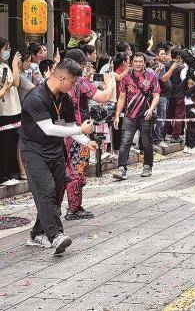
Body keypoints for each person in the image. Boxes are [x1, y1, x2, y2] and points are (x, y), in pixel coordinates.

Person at [20, 59, 96, 255]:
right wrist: (80, 130)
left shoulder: (65, 98)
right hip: (34, 152)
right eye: (73, 82)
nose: (74, 87)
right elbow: (49, 128)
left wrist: (86, 141)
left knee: (55, 193)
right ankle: (56, 236)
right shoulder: (35, 97)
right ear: (62, 79)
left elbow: (69, 126)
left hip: (55, 151)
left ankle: (37, 234)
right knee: (46, 190)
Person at [63, 49, 114, 220]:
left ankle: (57, 209)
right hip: (79, 131)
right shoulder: (80, 82)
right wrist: (109, 82)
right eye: (83, 64)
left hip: (60, 132)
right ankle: (74, 208)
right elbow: (104, 97)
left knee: (62, 170)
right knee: (78, 169)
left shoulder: (58, 80)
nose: (85, 67)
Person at [113, 52, 160, 181]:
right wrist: (117, 115)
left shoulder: (151, 76)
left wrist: (151, 109)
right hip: (129, 115)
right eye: (135, 61)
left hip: (145, 115)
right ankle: (121, 168)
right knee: (125, 142)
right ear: (131, 63)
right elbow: (121, 98)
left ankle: (147, 166)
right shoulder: (126, 77)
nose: (138, 64)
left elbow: (156, 95)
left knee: (146, 143)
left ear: (144, 63)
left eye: (140, 61)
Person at [0, 40, 25, 185]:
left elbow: (15, 82)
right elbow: (7, 86)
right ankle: (3, 176)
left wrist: (15, 66)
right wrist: (14, 65)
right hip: (3, 112)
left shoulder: (4, 66)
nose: (8, 52)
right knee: (4, 144)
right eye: (6, 49)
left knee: (12, 143)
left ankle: (10, 174)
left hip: (13, 109)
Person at [153, 45, 181, 146]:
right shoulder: (157, 66)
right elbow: (164, 79)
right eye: (162, 54)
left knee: (163, 118)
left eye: (165, 53)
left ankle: (160, 138)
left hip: (166, 95)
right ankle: (158, 140)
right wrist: (172, 68)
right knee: (160, 119)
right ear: (157, 56)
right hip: (161, 96)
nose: (164, 56)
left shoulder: (163, 65)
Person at [165, 48, 185, 144]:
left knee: (168, 115)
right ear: (179, 57)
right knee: (179, 116)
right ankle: (175, 136)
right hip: (180, 94)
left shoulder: (166, 66)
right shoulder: (182, 68)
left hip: (168, 94)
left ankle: (163, 134)